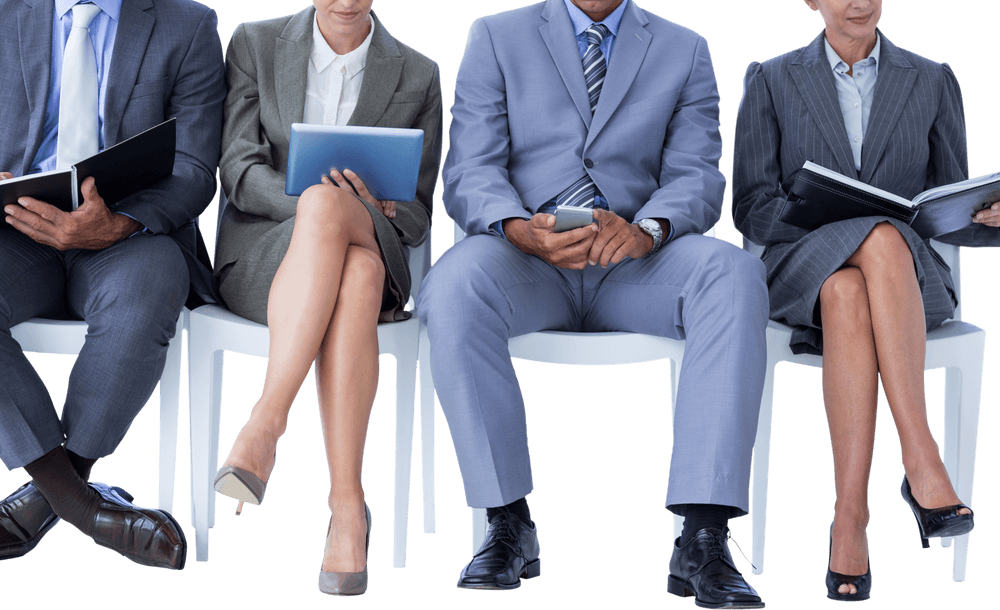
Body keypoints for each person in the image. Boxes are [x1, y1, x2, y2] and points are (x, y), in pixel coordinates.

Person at [418, 1, 769, 606]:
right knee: (452, 288)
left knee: (734, 275)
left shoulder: (685, 48)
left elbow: (697, 176)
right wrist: (516, 227)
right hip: (526, 258)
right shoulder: (495, 36)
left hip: (636, 262)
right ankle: (507, 522)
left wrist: (649, 229)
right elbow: (471, 169)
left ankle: (703, 536)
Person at [0, 0, 225, 570]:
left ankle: (46, 498)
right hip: (15, 231)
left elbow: (195, 169)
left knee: (153, 286)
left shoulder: (189, 24)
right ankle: (87, 509)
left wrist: (116, 224)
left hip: (127, 233)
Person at [732, 0, 984, 601]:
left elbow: (950, 205)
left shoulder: (933, 79)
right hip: (800, 270)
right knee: (870, 239)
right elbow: (749, 205)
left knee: (854, 284)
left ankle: (851, 517)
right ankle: (922, 461)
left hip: (906, 284)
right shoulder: (770, 78)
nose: (858, 1)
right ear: (812, 1)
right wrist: (824, 213)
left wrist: (987, 219)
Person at [210, 0, 441, 596]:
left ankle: (266, 422)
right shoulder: (254, 43)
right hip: (265, 254)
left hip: (375, 239)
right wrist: (320, 209)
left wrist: (368, 209)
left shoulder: (418, 74)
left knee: (362, 258)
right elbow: (236, 165)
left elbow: (417, 212)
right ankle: (347, 507)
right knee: (357, 273)